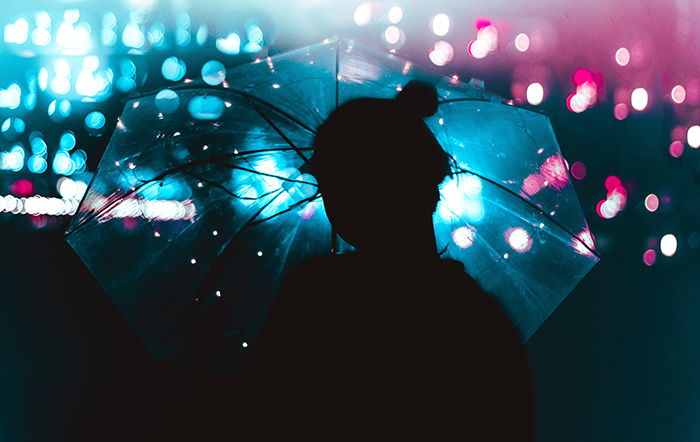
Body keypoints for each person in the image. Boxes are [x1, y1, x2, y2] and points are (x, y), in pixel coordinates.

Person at [244, 81, 534, 440]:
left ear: (360, 189)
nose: (327, 200)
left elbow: (265, 408)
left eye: (330, 185)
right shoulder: (477, 315)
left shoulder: (318, 295)